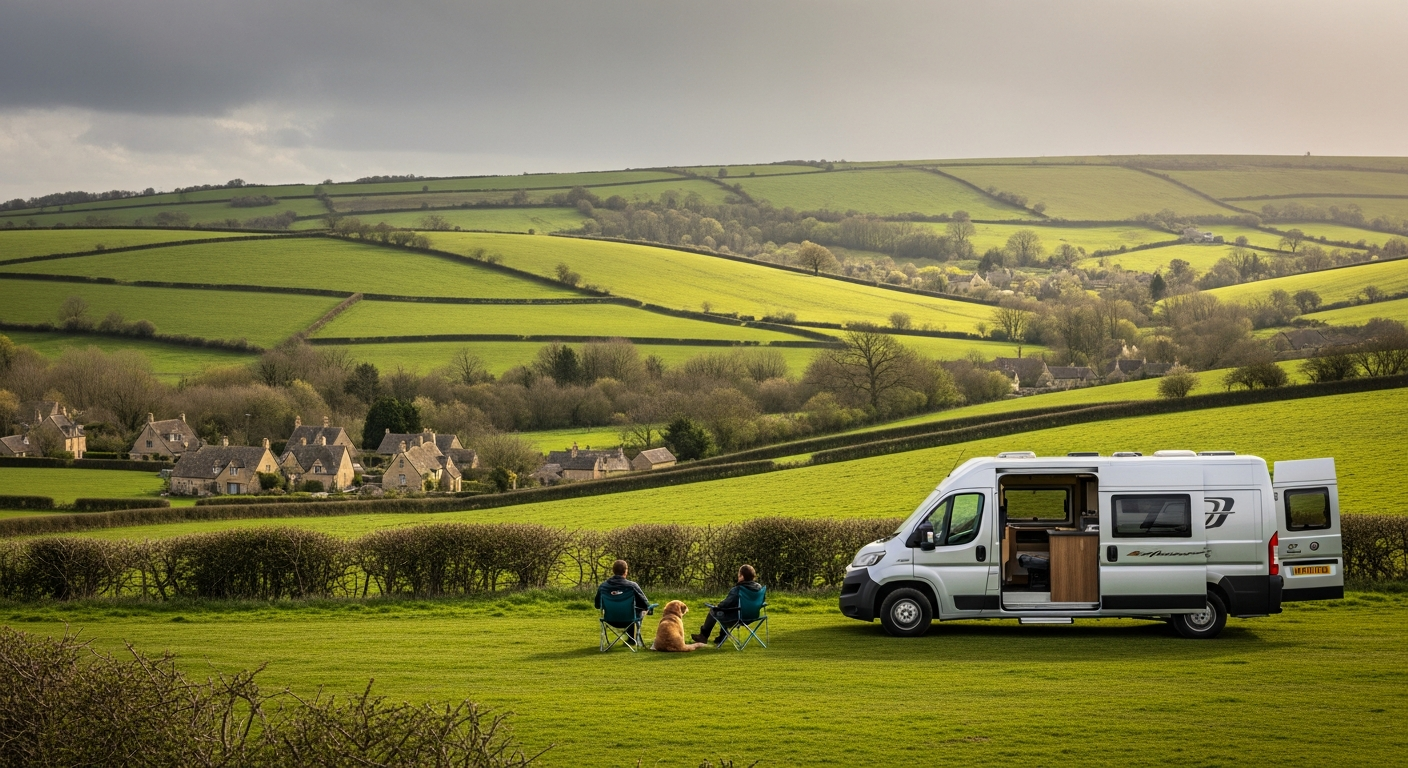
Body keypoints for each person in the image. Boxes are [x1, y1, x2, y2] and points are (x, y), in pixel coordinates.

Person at [692, 564, 763, 646]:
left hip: (738, 617)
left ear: (742, 577)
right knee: (728, 610)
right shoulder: (759, 588)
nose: (738, 577)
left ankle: (703, 636)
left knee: (715, 611)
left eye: (739, 575)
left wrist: (716, 606)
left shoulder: (738, 589)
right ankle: (721, 637)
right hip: (752, 616)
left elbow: (725, 604)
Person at [595, 559, 651, 645]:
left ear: (613, 571)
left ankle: (630, 639)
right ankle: (633, 639)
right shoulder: (632, 586)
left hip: (609, 620)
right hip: (629, 620)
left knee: (632, 609)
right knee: (639, 610)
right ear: (626, 571)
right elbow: (645, 604)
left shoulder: (603, 586)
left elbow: (597, 605)